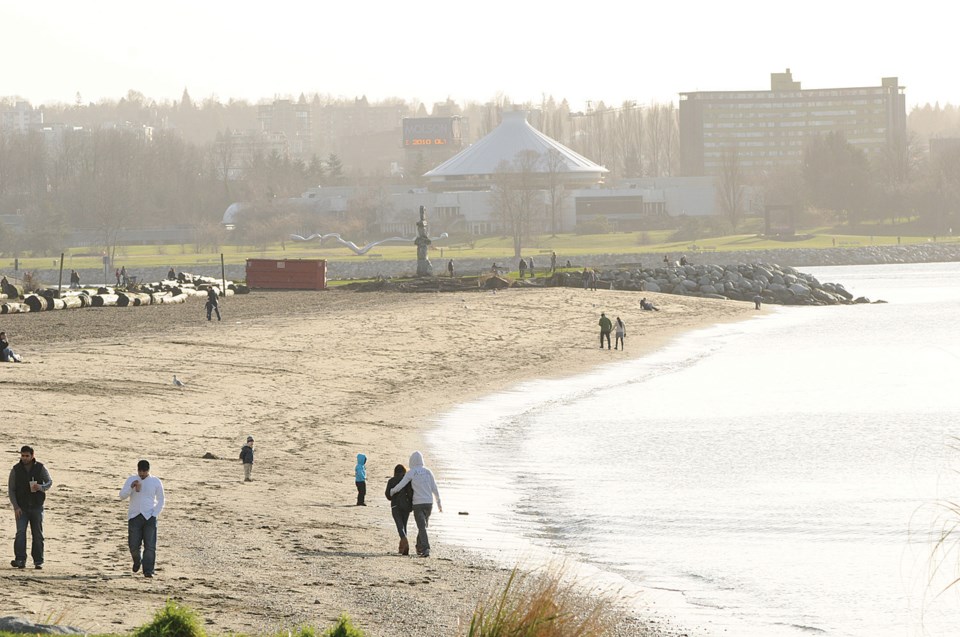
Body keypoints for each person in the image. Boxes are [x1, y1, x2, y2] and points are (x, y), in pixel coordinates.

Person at [389, 451, 442, 558]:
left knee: (422, 527)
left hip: (418, 504)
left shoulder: (411, 472)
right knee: (423, 526)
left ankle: (426, 548)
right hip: (429, 503)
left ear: (411, 461)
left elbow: (401, 485)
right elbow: (434, 488)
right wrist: (439, 503)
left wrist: (392, 491)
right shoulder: (428, 471)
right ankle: (419, 546)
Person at [119, 459, 165, 578]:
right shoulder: (131, 480)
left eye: (144, 471)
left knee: (150, 545)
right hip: (134, 516)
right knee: (133, 545)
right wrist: (131, 487)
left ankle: (148, 570)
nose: (142, 474)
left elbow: (161, 499)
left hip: (149, 516)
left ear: (148, 470)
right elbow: (122, 496)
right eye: (140, 471)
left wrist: (154, 514)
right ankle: (137, 560)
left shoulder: (155, 481)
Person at [9, 446, 52, 570]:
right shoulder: (16, 470)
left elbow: (49, 482)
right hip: (21, 508)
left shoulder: (40, 467)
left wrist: (40, 487)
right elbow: (11, 490)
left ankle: (38, 561)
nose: (24, 458)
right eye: (22, 455)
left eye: (27, 456)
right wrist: (16, 507)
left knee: (37, 534)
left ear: (32, 455)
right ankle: (20, 560)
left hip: (37, 507)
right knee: (20, 533)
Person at [385, 464, 414, 555]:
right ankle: (402, 547)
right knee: (404, 525)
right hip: (406, 506)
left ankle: (404, 542)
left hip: (395, 506)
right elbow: (411, 494)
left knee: (399, 525)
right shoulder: (408, 481)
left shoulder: (391, 481)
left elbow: (388, 495)